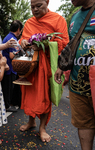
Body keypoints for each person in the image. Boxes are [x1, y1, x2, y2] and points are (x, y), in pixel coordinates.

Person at [19, 0, 69, 142]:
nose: (35, 9)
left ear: (47, 2)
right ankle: (31, 121)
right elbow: (23, 40)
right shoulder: (29, 22)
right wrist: (23, 41)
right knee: (30, 95)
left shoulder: (58, 20)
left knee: (44, 97)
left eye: (38, 6)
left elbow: (64, 43)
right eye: (32, 7)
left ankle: (42, 128)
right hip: (31, 67)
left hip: (47, 66)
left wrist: (45, 44)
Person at [55, 0, 95, 149]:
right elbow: (72, 44)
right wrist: (62, 67)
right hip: (78, 86)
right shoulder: (75, 17)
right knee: (84, 124)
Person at [1, 20, 23, 112]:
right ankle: (7, 106)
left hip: (7, 67)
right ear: (18, 29)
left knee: (7, 87)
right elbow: (11, 55)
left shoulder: (8, 36)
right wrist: (20, 52)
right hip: (9, 67)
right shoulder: (12, 39)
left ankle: (7, 104)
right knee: (8, 88)